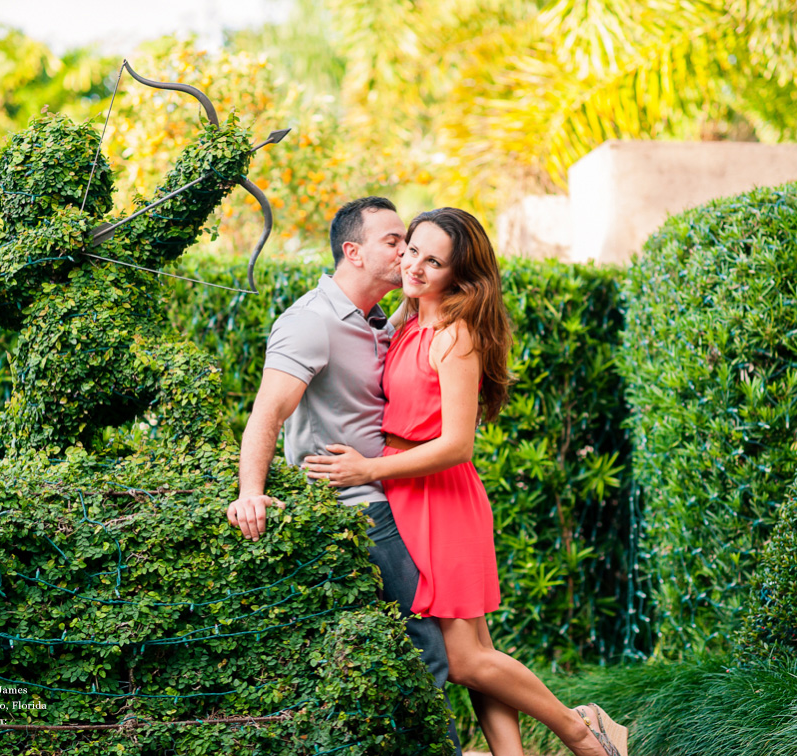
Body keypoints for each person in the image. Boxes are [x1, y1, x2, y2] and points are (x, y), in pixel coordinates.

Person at [301, 208, 629, 756]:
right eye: (412, 251)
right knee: (478, 655)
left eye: (435, 261)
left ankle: (581, 730)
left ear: (459, 275)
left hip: (440, 498)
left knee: (462, 659)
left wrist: (367, 469)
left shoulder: (455, 335)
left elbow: (457, 444)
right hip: (408, 495)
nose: (416, 267)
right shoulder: (406, 325)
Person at [226, 197, 462, 755]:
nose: (406, 251)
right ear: (352, 252)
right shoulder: (312, 321)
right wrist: (250, 493)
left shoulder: (382, 319)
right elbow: (267, 413)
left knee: (428, 651)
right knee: (426, 649)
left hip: (399, 501)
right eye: (392, 241)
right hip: (359, 510)